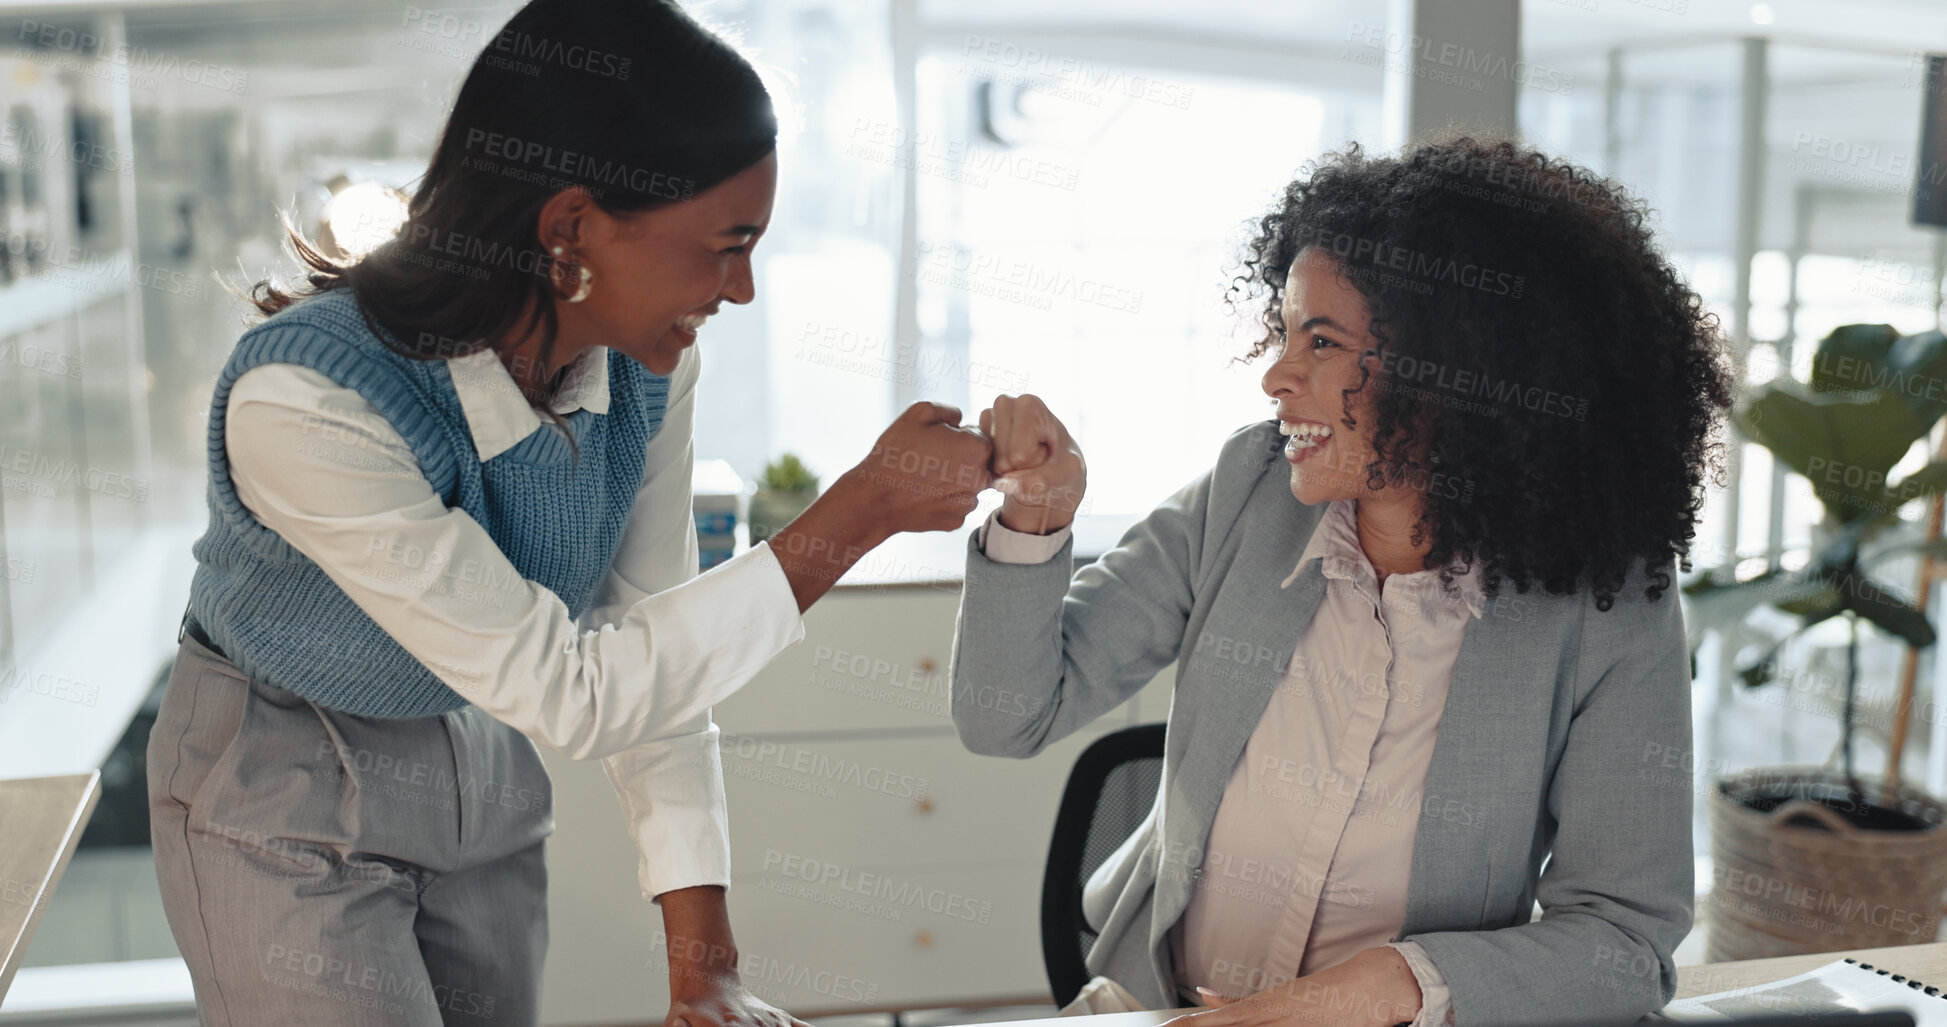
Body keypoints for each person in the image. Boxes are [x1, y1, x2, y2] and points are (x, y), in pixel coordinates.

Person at [147, 2, 991, 1024]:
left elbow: (657, 651)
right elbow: (578, 692)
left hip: (472, 751)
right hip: (278, 773)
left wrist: (705, 971)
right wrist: (857, 514)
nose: (744, 288)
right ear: (571, 227)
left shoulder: (643, 367)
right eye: (726, 245)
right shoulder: (308, 401)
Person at [953, 136, 1734, 1027]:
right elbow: (1004, 713)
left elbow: (1622, 943)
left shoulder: (1605, 592)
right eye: (1284, 332)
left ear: (1467, 373)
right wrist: (1034, 519)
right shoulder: (1246, 491)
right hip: (1154, 1007)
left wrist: (1369, 991)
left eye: (1319, 341)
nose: (1275, 375)